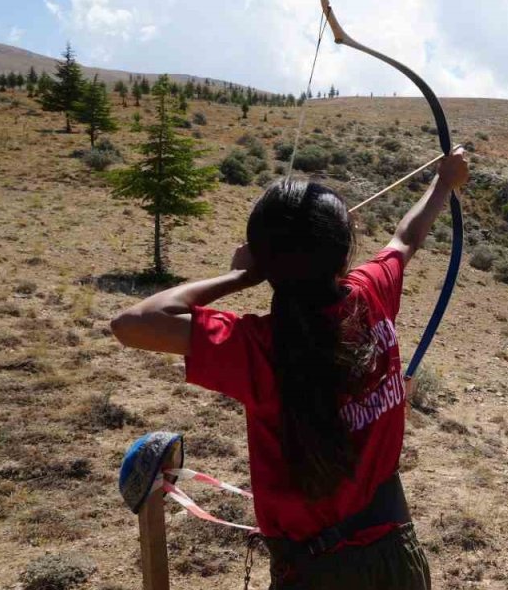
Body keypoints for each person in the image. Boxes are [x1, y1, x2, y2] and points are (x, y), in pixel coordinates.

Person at [110, 147, 468, 589]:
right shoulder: (370, 294)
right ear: (342, 255)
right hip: (396, 559)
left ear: (267, 265)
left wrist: (240, 277)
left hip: (313, 573)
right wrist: (444, 182)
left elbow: (132, 323)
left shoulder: (257, 347)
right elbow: (405, 238)